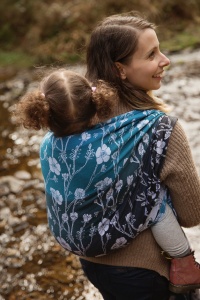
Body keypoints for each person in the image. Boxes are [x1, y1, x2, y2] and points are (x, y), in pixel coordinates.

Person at [14, 64, 200, 300]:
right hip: (136, 270)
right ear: (95, 102)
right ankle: (184, 261)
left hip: (83, 250)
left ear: (44, 113)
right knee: (154, 198)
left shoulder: (47, 146)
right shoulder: (109, 141)